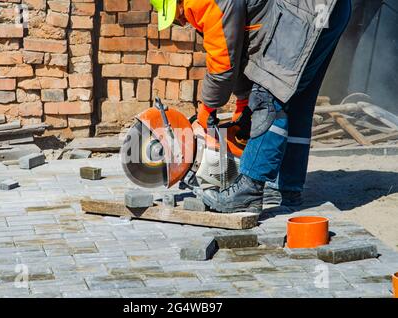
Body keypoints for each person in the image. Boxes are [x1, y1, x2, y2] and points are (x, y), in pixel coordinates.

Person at [150, 0, 352, 214]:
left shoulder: (202, 2)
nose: (181, 21)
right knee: (297, 101)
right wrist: (244, 103)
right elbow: (241, 46)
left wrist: (206, 110)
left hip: (305, 10)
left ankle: (248, 191)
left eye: (176, 15)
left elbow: (223, 63)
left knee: (269, 95)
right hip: (331, 10)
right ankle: (285, 188)